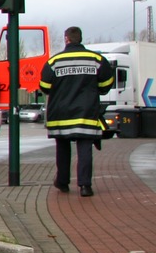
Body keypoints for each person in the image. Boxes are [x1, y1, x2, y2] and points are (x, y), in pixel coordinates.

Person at [39, 26, 114, 197]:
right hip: (86, 111)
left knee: (63, 147)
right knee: (85, 147)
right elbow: (106, 82)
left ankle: (62, 182)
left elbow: (44, 86)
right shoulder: (96, 59)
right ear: (80, 38)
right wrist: (96, 90)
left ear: (66, 39)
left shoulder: (54, 61)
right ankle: (85, 186)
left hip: (61, 113)